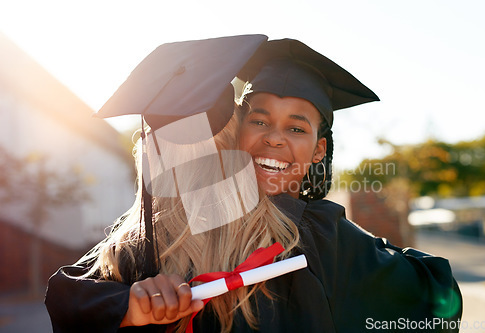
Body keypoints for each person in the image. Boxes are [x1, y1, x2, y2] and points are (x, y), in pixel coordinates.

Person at [45, 35, 462, 333]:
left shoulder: (322, 231)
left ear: (319, 150)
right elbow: (68, 295)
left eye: (296, 128)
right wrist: (130, 305)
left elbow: (433, 300)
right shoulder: (159, 229)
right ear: (237, 131)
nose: (274, 137)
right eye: (258, 120)